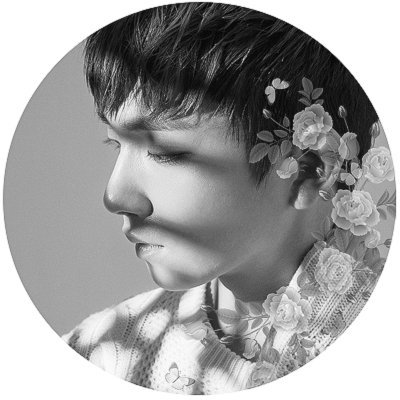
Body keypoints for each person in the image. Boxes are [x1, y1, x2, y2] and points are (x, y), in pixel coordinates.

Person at [62, 3, 394, 394]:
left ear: (306, 171)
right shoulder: (106, 351)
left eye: (165, 151)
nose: (115, 195)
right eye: (116, 144)